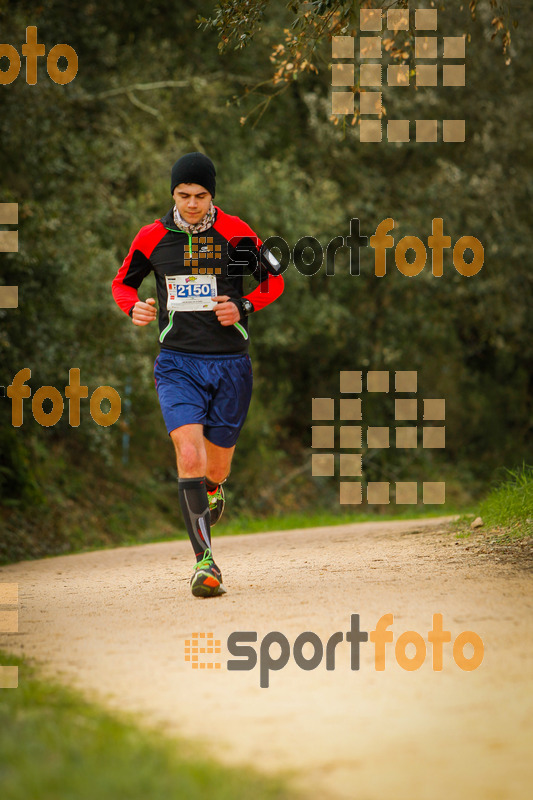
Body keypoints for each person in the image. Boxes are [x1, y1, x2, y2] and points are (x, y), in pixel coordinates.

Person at [112, 152, 284, 597]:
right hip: (176, 362)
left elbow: (273, 282)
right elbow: (123, 284)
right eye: (183, 195)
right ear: (173, 194)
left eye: (200, 196)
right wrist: (134, 307)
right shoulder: (152, 237)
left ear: (213, 196)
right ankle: (205, 563)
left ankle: (211, 488)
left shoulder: (236, 232)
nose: (192, 204)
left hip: (230, 363)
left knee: (216, 467)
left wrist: (244, 305)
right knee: (189, 455)